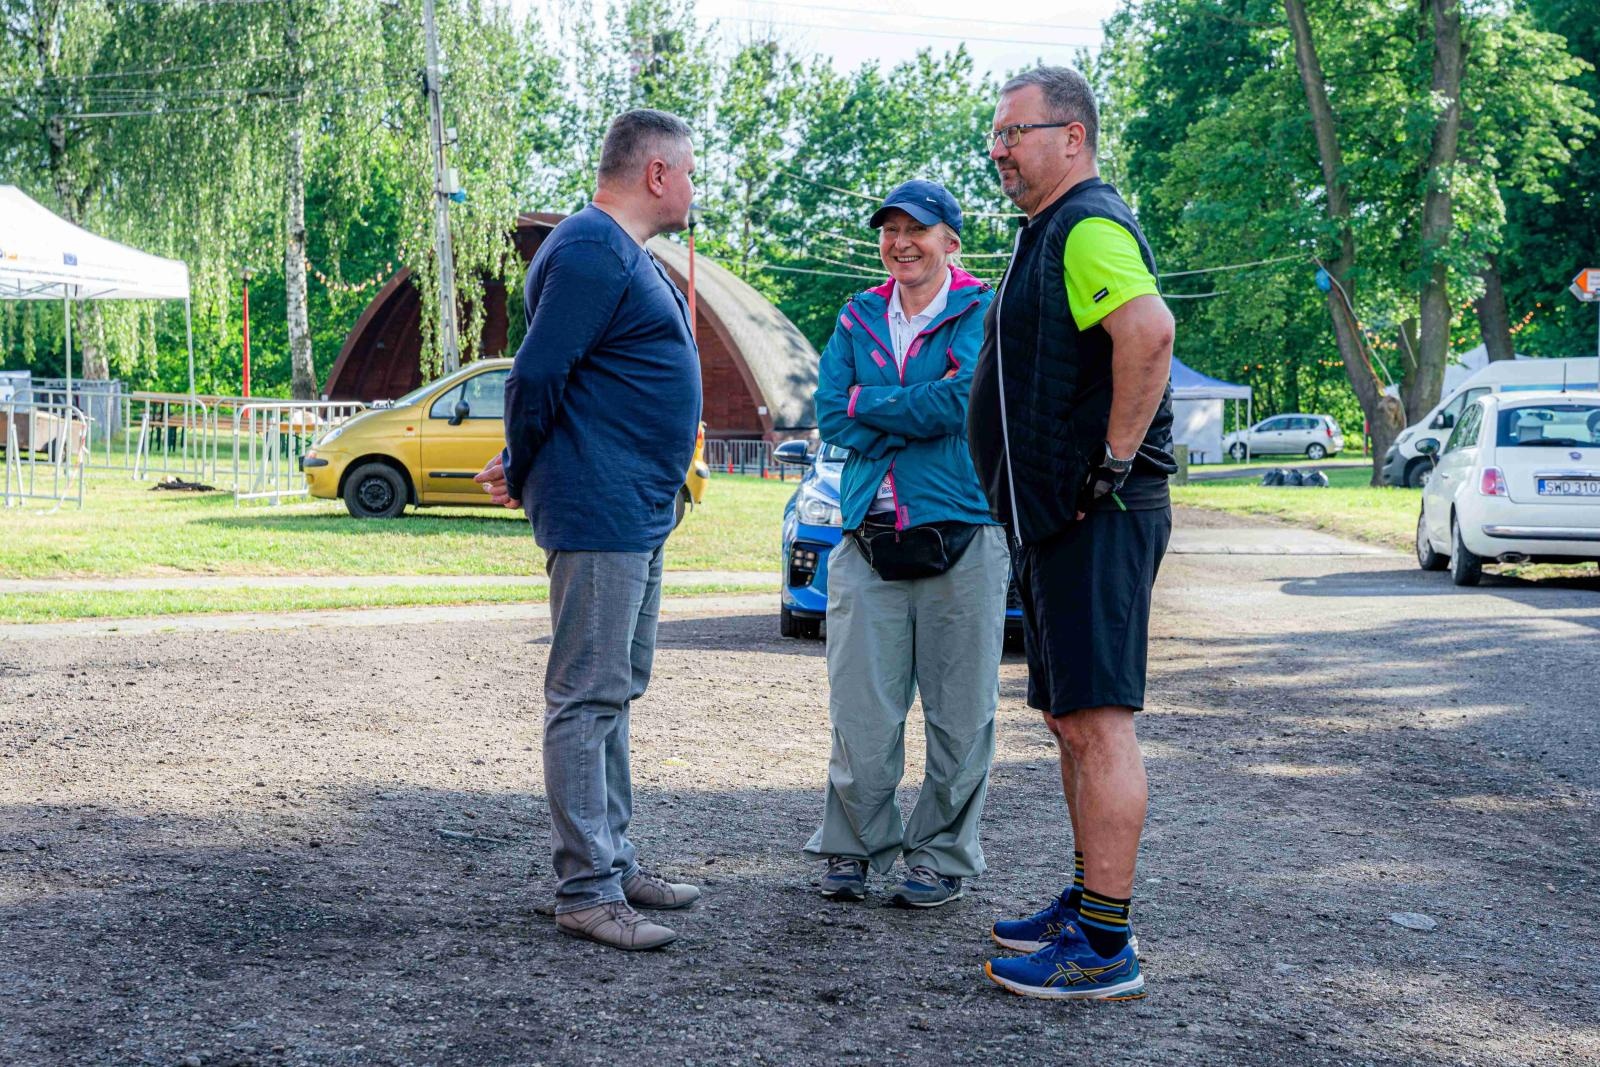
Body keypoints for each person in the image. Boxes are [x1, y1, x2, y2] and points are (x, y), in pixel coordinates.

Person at [966, 67, 1177, 1000]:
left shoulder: (1087, 224)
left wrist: (1113, 463)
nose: (1000, 149)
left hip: (1097, 515)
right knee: (1068, 722)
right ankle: (1091, 899)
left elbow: (1149, 332)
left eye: (1016, 132)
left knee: (1098, 725)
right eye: (996, 136)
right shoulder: (1046, 232)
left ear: (1074, 137)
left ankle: (1106, 947)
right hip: (1056, 519)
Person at [474, 108, 704, 952]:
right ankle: (586, 889)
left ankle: (614, 860)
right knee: (586, 696)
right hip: (600, 508)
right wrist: (525, 461)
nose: (692, 186)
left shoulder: (620, 254)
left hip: (635, 509)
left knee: (615, 690)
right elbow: (536, 371)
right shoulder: (586, 248)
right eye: (688, 170)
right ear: (654, 173)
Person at [803, 180, 1009, 909]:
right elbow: (833, 414)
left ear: (952, 239)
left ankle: (940, 854)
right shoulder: (857, 315)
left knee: (961, 714)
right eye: (889, 230)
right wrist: (893, 408)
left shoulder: (981, 309)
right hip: (868, 534)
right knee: (860, 710)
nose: (900, 242)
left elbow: (963, 402)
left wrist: (874, 404)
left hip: (963, 530)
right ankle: (854, 846)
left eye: (916, 229)